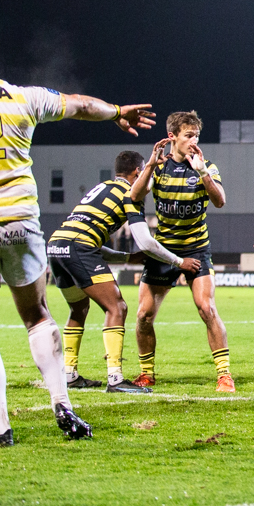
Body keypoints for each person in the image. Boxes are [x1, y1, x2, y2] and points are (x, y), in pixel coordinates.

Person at [0, 25, 153, 445]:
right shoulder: (21, 95)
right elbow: (80, 104)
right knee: (37, 315)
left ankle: (0, 428)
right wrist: (118, 111)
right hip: (22, 221)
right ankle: (63, 404)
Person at [49, 150, 201, 394]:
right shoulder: (131, 194)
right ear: (138, 173)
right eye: (149, 172)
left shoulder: (104, 187)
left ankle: (69, 374)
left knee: (79, 308)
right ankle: (116, 379)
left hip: (57, 246)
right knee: (117, 307)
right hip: (79, 247)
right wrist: (178, 261)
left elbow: (93, 238)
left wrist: (126, 258)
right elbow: (146, 242)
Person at [128, 111, 234, 392]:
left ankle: (224, 375)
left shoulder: (206, 166)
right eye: (189, 135)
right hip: (162, 251)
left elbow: (220, 201)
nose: (194, 141)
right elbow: (135, 196)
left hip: (196, 247)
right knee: (143, 315)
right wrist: (149, 165)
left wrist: (202, 173)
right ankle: (147, 373)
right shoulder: (159, 168)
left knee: (206, 308)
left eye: (197, 136)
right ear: (172, 137)